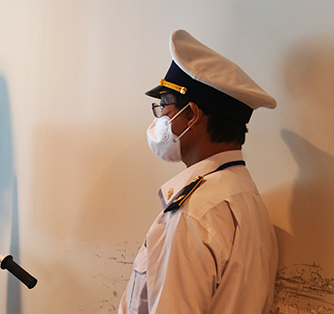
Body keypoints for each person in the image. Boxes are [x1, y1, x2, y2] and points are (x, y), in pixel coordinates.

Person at [118, 30, 278, 314]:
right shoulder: (246, 196)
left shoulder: (193, 214)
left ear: (192, 115)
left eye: (164, 107)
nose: (160, 119)